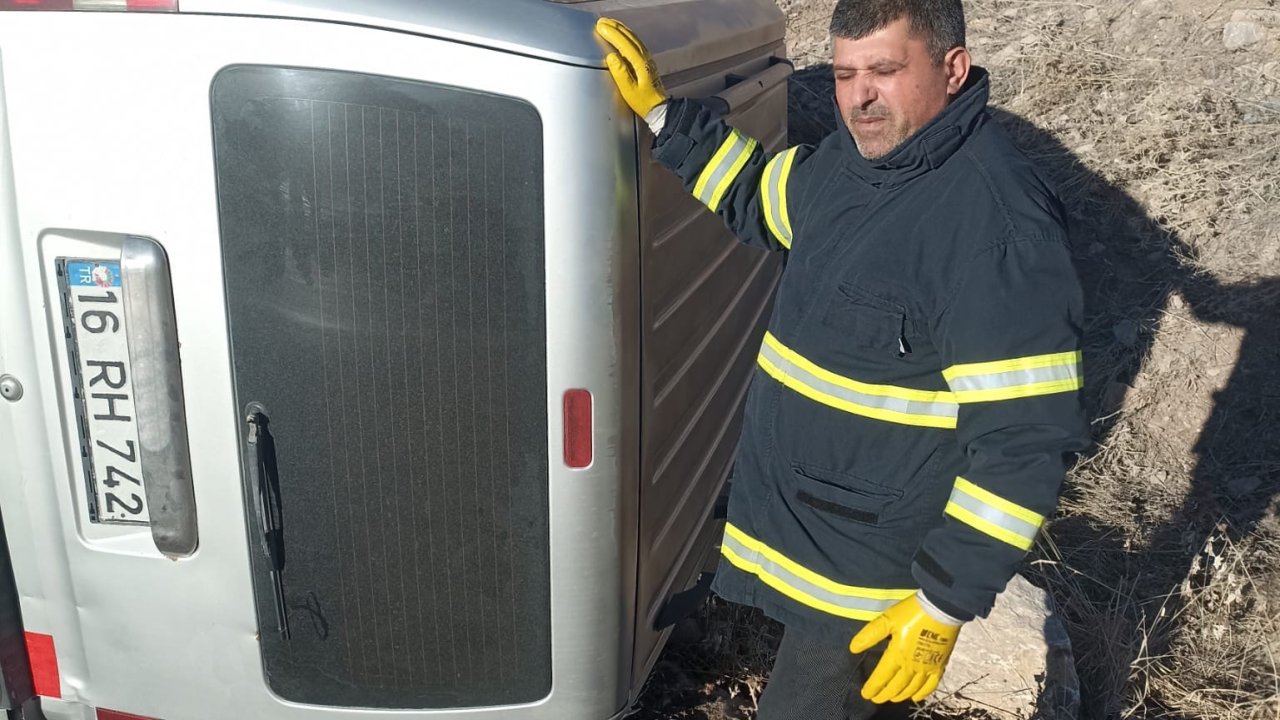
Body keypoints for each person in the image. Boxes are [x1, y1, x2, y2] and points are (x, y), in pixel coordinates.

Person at [596, 1, 1090, 717]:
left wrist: (945, 602)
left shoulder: (997, 231)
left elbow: (1025, 441)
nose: (860, 96)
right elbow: (756, 194)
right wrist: (667, 121)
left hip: (876, 589)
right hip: (812, 541)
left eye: (885, 71)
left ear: (952, 70)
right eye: (844, 74)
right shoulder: (848, 166)